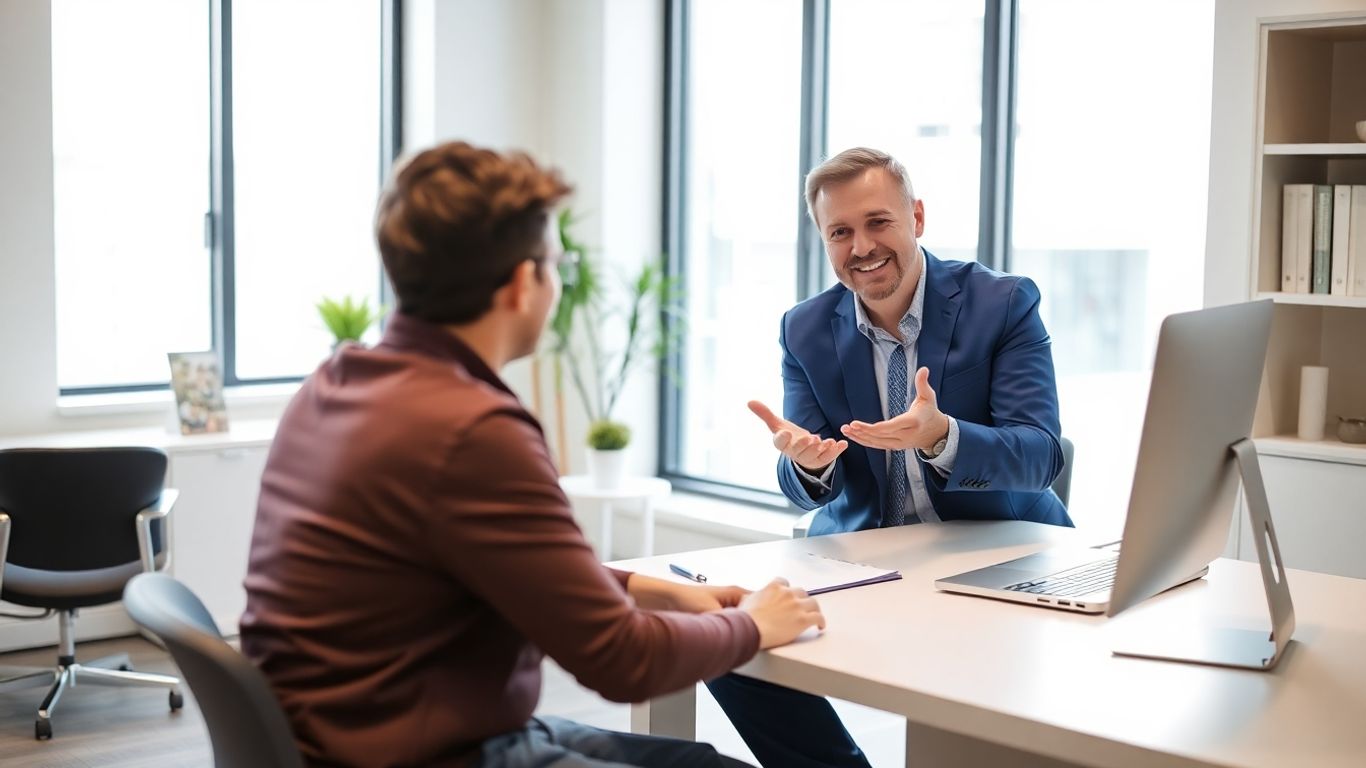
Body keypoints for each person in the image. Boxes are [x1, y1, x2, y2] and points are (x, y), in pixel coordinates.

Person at [239, 140, 826, 768]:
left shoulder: (335, 384)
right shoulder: (471, 429)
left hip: (340, 734)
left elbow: (519, 571)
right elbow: (624, 662)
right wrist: (756, 625)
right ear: (524, 282)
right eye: (555, 264)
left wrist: (657, 590)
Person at [706, 147, 1073, 768]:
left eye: (878, 222)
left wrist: (943, 436)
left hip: (996, 552)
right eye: (840, 232)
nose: (862, 246)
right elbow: (804, 477)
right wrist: (809, 463)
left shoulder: (1003, 303)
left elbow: (1041, 455)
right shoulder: (804, 327)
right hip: (870, 563)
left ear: (918, 218)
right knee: (724, 641)